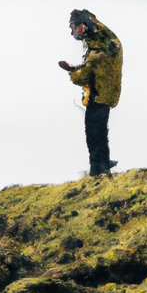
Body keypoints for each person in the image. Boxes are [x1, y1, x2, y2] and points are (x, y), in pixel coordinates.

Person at [58, 10, 122, 177]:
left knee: (94, 132)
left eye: (75, 28)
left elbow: (83, 76)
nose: (74, 32)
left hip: (99, 95)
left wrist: (72, 71)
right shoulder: (108, 42)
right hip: (106, 93)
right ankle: (103, 162)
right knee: (100, 130)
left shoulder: (97, 53)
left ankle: (98, 168)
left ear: (83, 26)